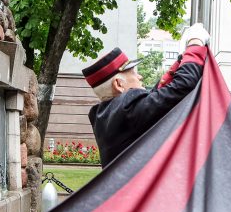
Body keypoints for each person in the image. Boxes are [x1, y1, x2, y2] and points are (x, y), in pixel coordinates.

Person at [84, 25, 209, 167]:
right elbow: (184, 86)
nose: (140, 76)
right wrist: (195, 44)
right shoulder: (128, 109)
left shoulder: (105, 114)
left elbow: (154, 100)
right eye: (132, 73)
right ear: (119, 84)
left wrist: (180, 61)